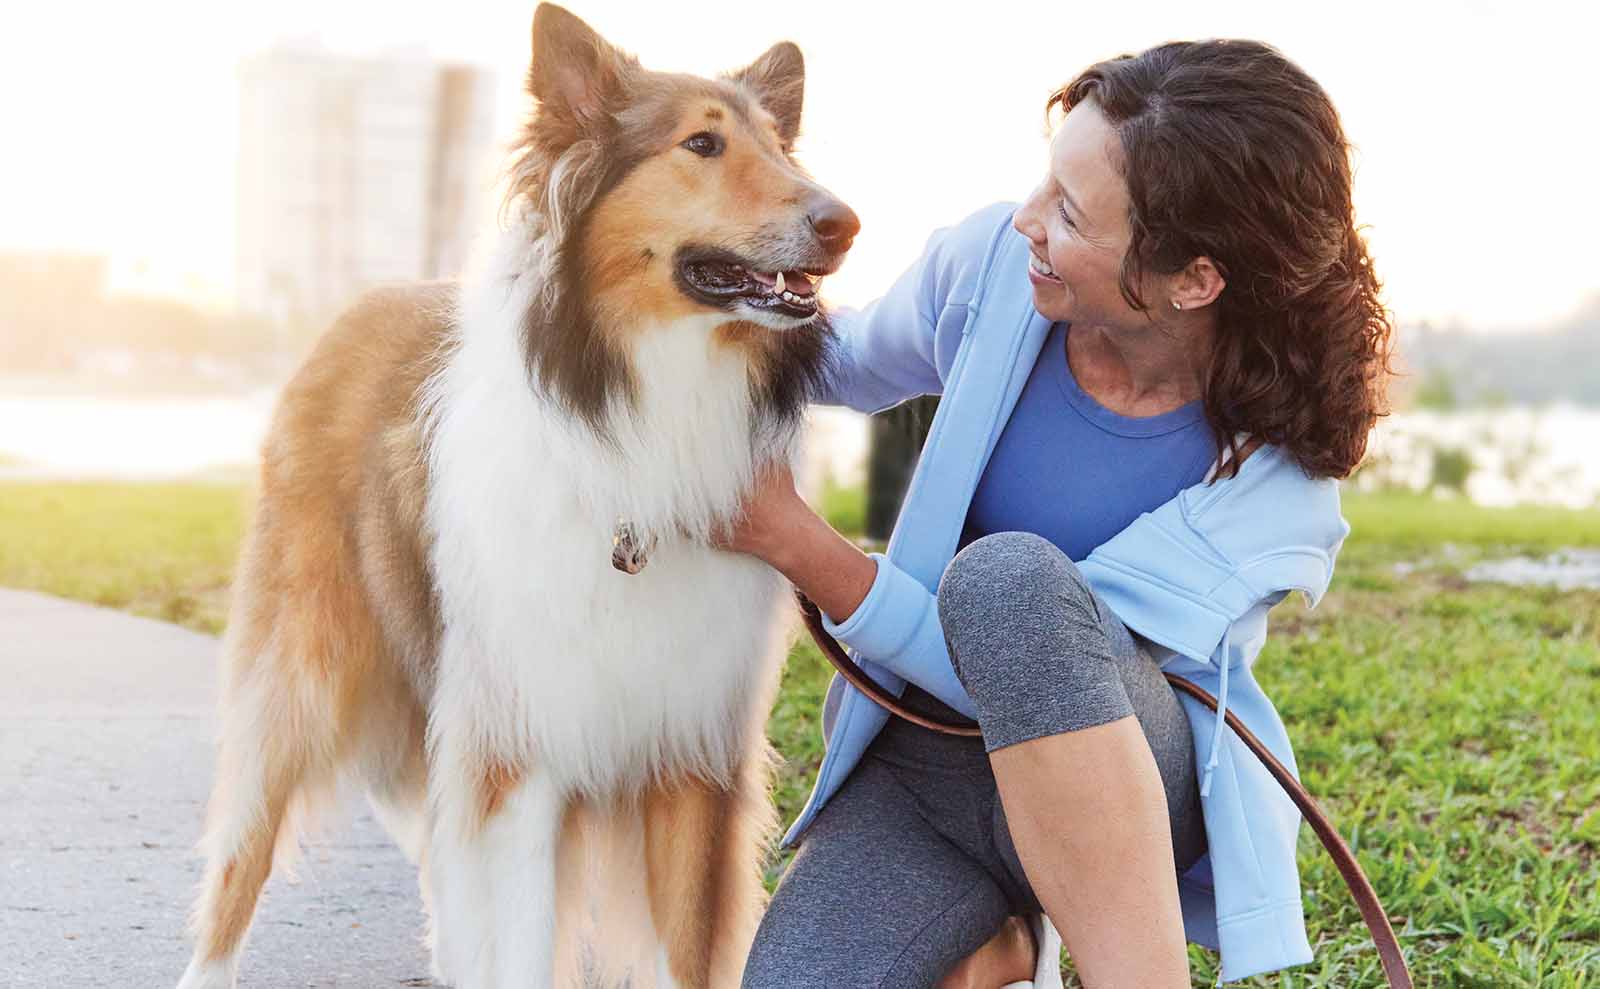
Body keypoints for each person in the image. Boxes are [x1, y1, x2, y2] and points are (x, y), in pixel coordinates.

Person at [718, 39, 1393, 989]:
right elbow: (832, 360)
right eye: (1047, 181)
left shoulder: (1279, 484)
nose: (1026, 220)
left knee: (1013, 588)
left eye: (1070, 212)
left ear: (1192, 279)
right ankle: (995, 947)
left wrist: (801, 544)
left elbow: (1028, 669)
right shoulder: (998, 269)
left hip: (1127, 783)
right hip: (933, 768)